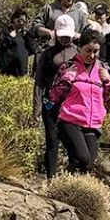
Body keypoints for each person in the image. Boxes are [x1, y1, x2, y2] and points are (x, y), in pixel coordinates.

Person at [47, 28, 110, 173]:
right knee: (82, 157)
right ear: (79, 48)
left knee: (88, 164)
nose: (92, 55)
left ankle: (66, 187)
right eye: (88, 50)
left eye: (96, 51)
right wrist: (66, 79)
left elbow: (109, 98)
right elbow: (53, 96)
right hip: (70, 121)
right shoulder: (69, 66)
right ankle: (62, 183)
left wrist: (108, 82)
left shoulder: (102, 68)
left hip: (93, 123)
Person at [33, 14, 79, 179]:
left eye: (68, 36)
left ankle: (70, 178)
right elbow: (38, 82)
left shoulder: (79, 52)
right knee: (52, 140)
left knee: (71, 142)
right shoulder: (47, 54)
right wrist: (37, 108)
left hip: (72, 104)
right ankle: (51, 179)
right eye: (62, 36)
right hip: (50, 103)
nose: (65, 40)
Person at [0, 9, 32, 77]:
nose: (21, 23)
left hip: (21, 71)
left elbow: (31, 50)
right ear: (14, 19)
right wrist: (10, 37)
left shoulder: (25, 34)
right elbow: (0, 46)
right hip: (7, 70)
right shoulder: (6, 31)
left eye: (24, 21)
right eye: (19, 20)